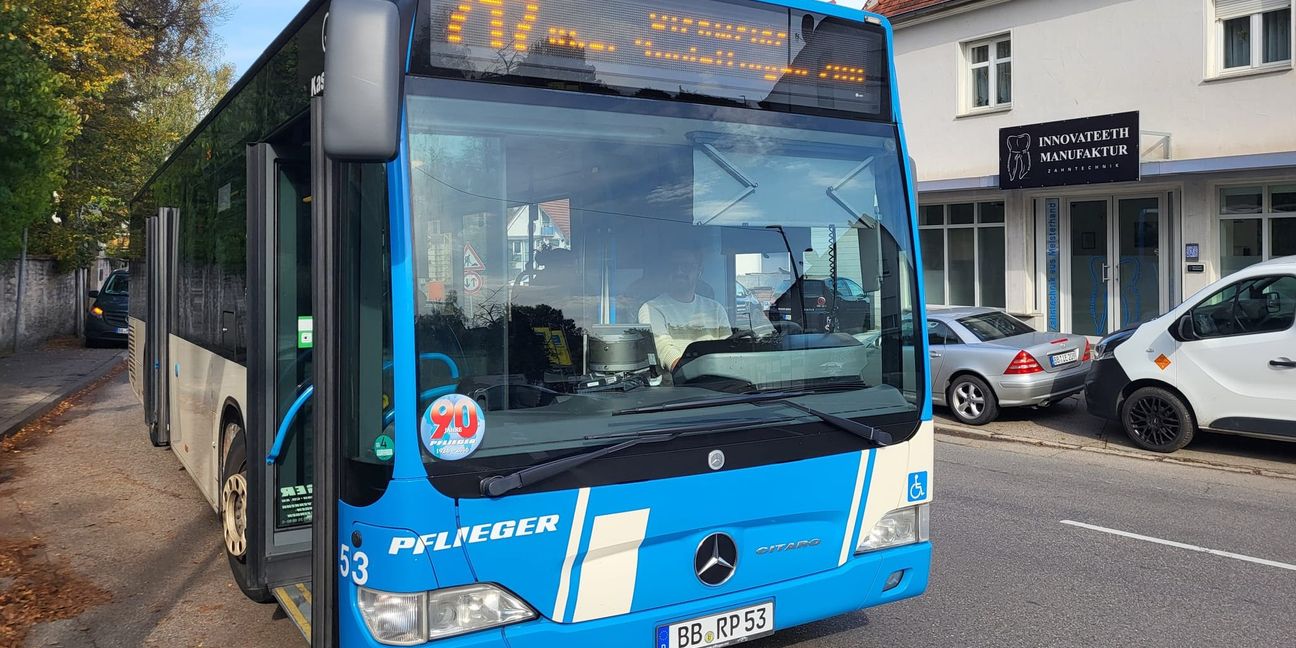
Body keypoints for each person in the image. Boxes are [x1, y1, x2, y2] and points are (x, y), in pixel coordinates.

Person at [637, 247, 733, 370]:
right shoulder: (651, 309)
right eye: (673, 266)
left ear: (699, 271)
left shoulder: (716, 309)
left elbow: (728, 352)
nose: (679, 271)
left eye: (686, 266)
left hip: (718, 383)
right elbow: (664, 349)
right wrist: (689, 370)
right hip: (677, 387)